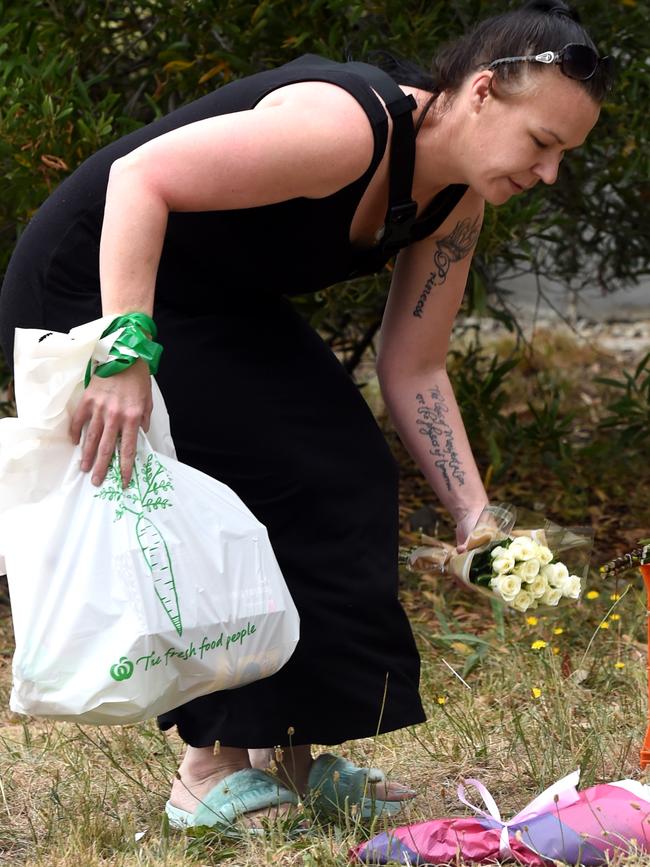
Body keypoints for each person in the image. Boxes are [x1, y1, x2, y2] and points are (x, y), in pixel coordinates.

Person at [0, 0, 612, 832]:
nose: (547, 175)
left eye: (563, 158)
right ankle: (207, 770)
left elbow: (416, 365)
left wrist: (477, 516)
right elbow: (137, 180)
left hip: (210, 298)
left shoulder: (454, 204)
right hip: (96, 281)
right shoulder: (346, 130)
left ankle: (292, 751)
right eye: (542, 144)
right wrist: (123, 352)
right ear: (481, 92)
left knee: (346, 469)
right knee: (276, 471)